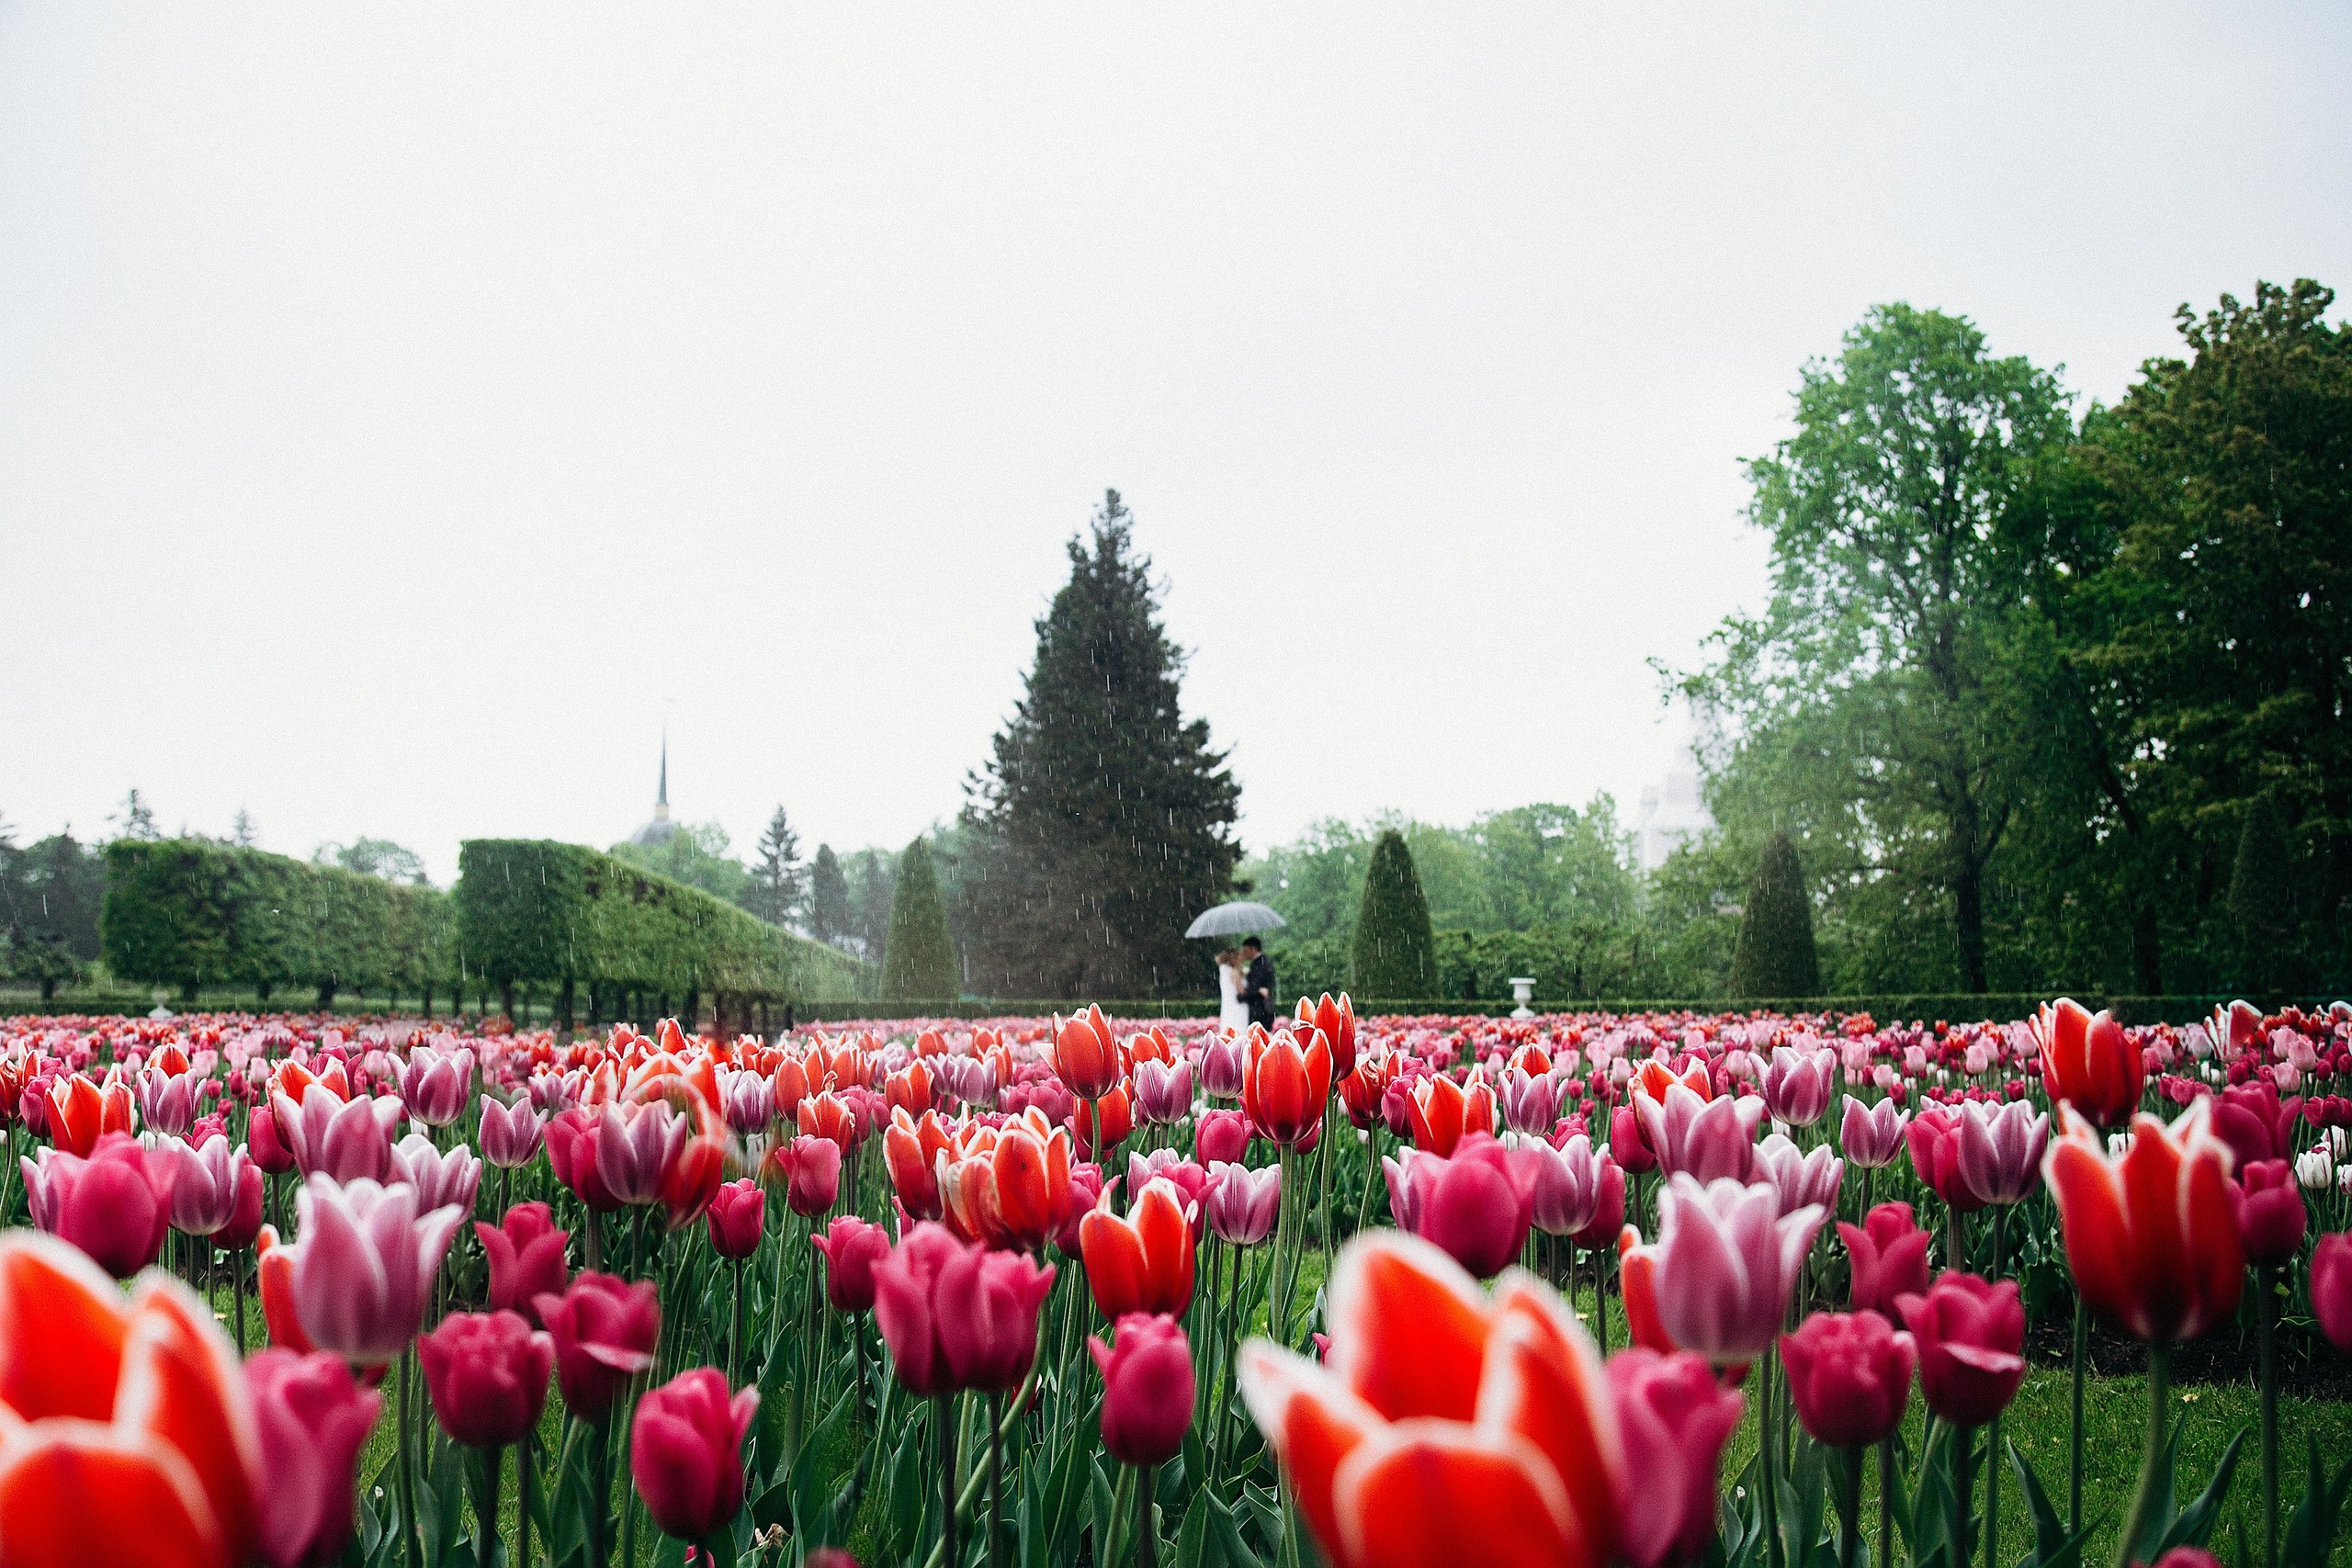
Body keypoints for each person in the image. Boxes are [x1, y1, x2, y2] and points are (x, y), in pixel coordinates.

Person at [1237, 936, 1276, 1030]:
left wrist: (1241, 997)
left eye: (1246, 950)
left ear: (1253, 949)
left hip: (1259, 1009)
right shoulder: (1261, 962)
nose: (1244, 953)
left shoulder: (1261, 963)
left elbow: (1256, 987)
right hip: (1259, 1008)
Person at [1216, 948, 1250, 1035]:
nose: (1241, 958)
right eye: (1239, 956)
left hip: (1230, 1005)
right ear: (1234, 959)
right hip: (1239, 1006)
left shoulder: (1226, 971)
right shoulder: (1234, 972)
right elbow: (1241, 991)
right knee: (1240, 1027)